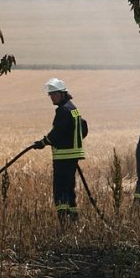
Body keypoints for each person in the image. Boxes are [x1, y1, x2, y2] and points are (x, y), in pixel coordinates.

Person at [30, 77, 88, 224]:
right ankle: (73, 220)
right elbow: (83, 127)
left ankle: (63, 222)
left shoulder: (63, 110)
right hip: (72, 156)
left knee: (60, 190)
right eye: (50, 95)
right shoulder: (73, 108)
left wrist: (43, 142)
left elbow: (58, 132)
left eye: (54, 94)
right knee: (69, 189)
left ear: (62, 93)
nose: (51, 97)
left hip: (63, 157)